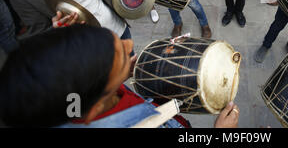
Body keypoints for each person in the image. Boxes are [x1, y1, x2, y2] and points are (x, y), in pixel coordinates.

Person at [0, 24, 239, 128]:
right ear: (94, 109)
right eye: (121, 55)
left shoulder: (73, 105)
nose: (129, 44)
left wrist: (119, 75)